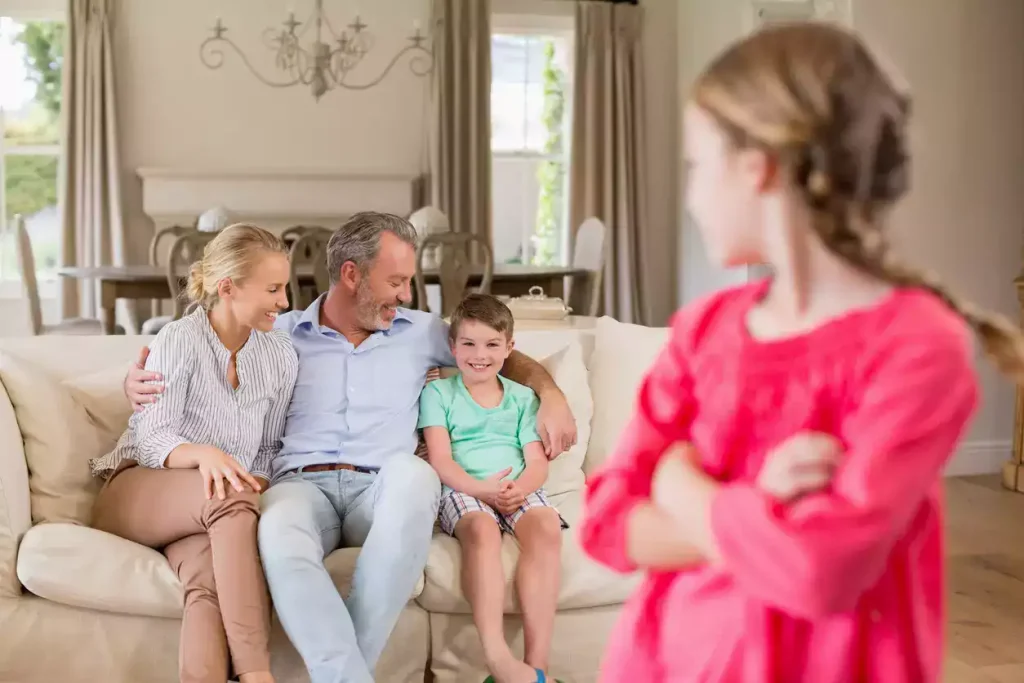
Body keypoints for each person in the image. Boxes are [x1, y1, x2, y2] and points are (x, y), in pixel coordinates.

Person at [579, 22, 1024, 683]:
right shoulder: (704, 328)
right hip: (667, 662)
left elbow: (817, 571)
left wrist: (682, 482)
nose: (692, 194)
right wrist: (759, 505)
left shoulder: (917, 344)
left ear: (757, 167)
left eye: (698, 167)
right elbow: (605, 523)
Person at [124, 212, 578, 683]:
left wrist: (551, 394)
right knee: (278, 530)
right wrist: (137, 381)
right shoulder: (277, 335)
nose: (406, 294)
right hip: (299, 484)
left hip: (380, 486)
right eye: (396, 281)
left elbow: (498, 351)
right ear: (351, 275)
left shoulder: (422, 331)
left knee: (416, 476)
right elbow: (203, 364)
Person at [92, 224, 298, 683]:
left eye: (285, 287)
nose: (284, 301)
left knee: (206, 584)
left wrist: (255, 480)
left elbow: (268, 448)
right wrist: (204, 454)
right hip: (137, 492)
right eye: (272, 289)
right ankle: (257, 674)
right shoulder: (179, 340)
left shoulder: (281, 353)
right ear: (228, 287)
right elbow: (150, 439)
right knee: (231, 496)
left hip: (210, 509)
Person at [419, 294, 567, 683]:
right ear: (452, 348)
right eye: (468, 344)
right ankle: (496, 656)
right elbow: (441, 461)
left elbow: (537, 462)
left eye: (491, 344)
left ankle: (536, 668)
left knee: (547, 527)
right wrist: (482, 491)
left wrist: (518, 488)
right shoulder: (437, 395)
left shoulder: (522, 398)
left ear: (509, 348)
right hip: (464, 488)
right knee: (481, 531)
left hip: (515, 486)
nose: (479, 354)